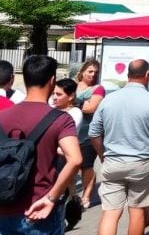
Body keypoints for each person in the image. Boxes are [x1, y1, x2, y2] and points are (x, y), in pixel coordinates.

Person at [0, 56, 81, 235]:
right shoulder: (61, 119)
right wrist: (52, 198)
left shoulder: (2, 116)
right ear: (52, 80)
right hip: (40, 208)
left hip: (4, 206)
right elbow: (75, 160)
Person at [89, 59, 149, 235]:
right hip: (143, 164)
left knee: (110, 212)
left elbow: (94, 132)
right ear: (147, 75)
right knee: (137, 210)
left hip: (113, 162)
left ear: (127, 75)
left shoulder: (108, 100)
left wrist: (103, 155)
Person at [54, 78, 85, 231]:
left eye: (59, 94)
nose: (54, 97)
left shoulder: (75, 113)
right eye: (53, 93)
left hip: (64, 162)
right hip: (53, 159)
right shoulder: (52, 109)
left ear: (71, 96)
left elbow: (62, 142)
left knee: (60, 198)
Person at [75, 57, 106, 208]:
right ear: (82, 72)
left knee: (86, 166)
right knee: (70, 164)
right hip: (70, 132)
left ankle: (86, 196)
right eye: (90, 71)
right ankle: (72, 195)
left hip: (89, 133)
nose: (92, 75)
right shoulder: (72, 85)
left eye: (95, 72)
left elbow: (91, 108)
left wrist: (72, 101)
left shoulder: (98, 89)